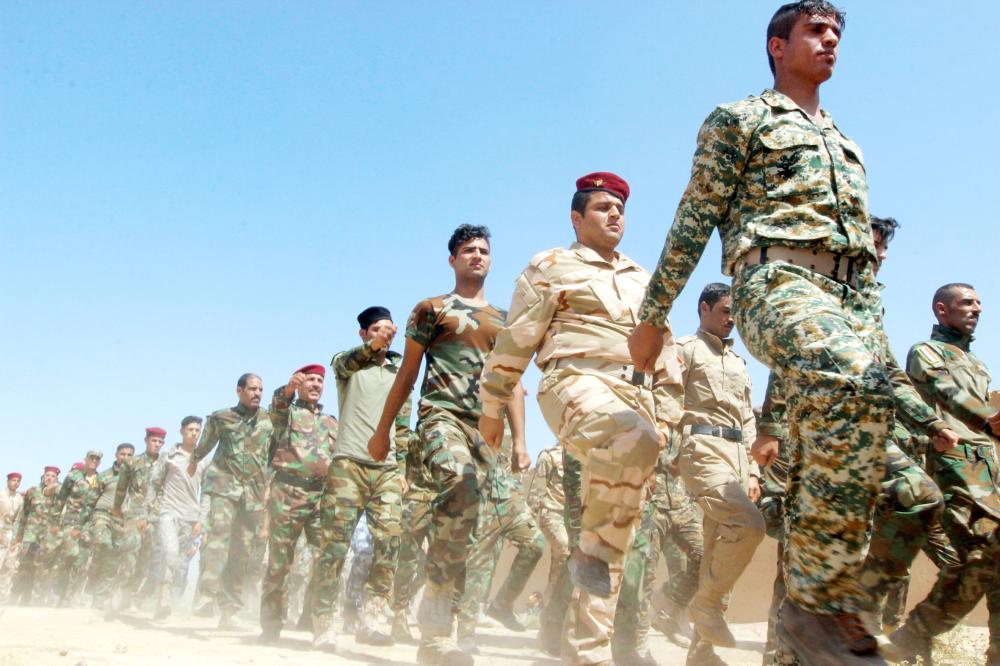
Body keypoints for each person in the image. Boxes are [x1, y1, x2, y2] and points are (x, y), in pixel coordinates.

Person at [627, 2, 890, 660]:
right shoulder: (740, 118)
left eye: (837, 33)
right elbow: (695, 216)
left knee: (835, 447)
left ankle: (792, 640)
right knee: (848, 378)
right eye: (815, 30)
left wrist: (875, 341)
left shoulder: (848, 146)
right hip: (775, 281)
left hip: (849, 300)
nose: (830, 41)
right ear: (777, 45)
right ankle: (822, 598)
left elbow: (862, 259)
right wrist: (654, 315)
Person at [479, 173, 684, 665]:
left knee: (614, 537)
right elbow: (516, 339)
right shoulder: (551, 265)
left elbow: (666, 355)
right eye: (601, 208)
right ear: (576, 218)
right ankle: (591, 552)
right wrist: (492, 408)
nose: (615, 214)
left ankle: (587, 650)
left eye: (620, 208)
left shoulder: (642, 278)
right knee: (630, 443)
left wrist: (670, 423)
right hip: (575, 383)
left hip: (637, 402)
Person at [370, 224, 519, 666]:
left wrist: (521, 441)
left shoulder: (504, 320)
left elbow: (511, 384)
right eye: (469, 250)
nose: (478, 255)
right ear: (452, 260)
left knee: (471, 524)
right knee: (457, 481)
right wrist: (381, 432)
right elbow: (406, 375)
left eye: (484, 250)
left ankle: (442, 630)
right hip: (441, 417)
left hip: (487, 427)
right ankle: (434, 616)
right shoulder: (430, 309)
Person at [887, 284, 1000, 664]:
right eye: (967, 303)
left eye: (979, 303)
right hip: (954, 466)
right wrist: (989, 420)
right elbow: (946, 392)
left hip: (989, 469)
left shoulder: (979, 364)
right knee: (979, 557)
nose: (977, 310)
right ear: (941, 310)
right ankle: (914, 632)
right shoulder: (925, 352)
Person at [311, 306, 411, 649]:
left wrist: (404, 469)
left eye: (388, 329)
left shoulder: (399, 369)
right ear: (364, 334)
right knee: (334, 546)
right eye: (377, 330)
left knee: (389, 543)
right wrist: (372, 347)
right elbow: (344, 363)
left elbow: (403, 422)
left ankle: (374, 617)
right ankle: (323, 621)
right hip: (348, 465)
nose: (385, 334)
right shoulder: (347, 364)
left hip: (386, 469)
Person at [259, 364, 337, 644]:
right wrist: (288, 389)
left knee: (326, 559)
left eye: (320, 380)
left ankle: (318, 623)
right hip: (288, 492)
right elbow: (277, 406)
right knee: (280, 562)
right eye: (310, 380)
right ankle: (270, 627)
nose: (316, 384)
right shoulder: (288, 413)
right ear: (300, 384)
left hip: (320, 497)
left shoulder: (331, 422)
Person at [189, 372, 273, 629]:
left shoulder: (271, 421)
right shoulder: (221, 418)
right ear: (239, 391)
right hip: (225, 486)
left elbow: (274, 456)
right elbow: (203, 447)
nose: (257, 393)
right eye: (252, 388)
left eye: (260, 389)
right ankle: (207, 593)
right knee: (219, 536)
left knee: (242, 552)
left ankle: (229, 611)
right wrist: (193, 462)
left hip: (253, 495)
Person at [456, 424, 543, 654]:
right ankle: (466, 632)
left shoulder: (511, 419)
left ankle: (502, 605)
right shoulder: (472, 411)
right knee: (477, 567)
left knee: (536, 543)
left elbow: (512, 467)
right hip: (482, 496)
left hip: (508, 497)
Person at [150, 416, 210, 619]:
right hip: (169, 512)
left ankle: (164, 599)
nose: (194, 433)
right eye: (190, 429)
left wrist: (202, 520)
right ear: (182, 431)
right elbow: (155, 483)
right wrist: (150, 510)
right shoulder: (169, 456)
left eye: (197, 430)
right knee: (170, 551)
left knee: (178, 561)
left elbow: (207, 493)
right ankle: (164, 597)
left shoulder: (203, 459)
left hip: (190, 517)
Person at [390, 431, 436, 642]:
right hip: (415, 502)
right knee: (407, 562)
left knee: (439, 565)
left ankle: (434, 620)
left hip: (442, 503)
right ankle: (398, 615)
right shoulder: (411, 438)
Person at [114, 426, 166, 610]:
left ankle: (133, 595)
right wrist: (117, 508)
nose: (157, 444)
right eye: (154, 441)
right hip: (134, 513)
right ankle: (123, 593)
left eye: (160, 442)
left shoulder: (165, 463)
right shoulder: (132, 463)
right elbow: (121, 488)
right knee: (130, 553)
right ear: (146, 441)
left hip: (155, 516)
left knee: (146, 557)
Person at [87, 444, 134, 610]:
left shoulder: (135, 477)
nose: (125, 457)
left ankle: (101, 597)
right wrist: (83, 525)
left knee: (114, 558)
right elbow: (90, 502)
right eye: (122, 454)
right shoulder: (105, 476)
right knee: (104, 546)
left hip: (122, 520)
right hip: (103, 515)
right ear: (116, 455)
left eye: (129, 455)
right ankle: (91, 585)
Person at [54, 450, 103, 605]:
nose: (94, 461)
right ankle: (58, 591)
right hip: (70, 520)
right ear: (86, 459)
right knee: (69, 555)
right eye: (91, 458)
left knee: (81, 560)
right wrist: (55, 522)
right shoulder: (73, 476)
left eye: (97, 459)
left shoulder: (100, 480)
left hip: (88, 524)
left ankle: (69, 597)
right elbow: (61, 498)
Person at [11, 466, 62, 605]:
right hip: (30, 536)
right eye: (47, 475)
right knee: (24, 567)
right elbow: (24, 514)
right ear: (43, 476)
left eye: (52, 476)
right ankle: (15, 597)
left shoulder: (60, 495)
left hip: (46, 538)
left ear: (56, 479)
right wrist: (18, 536)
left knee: (41, 569)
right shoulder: (33, 492)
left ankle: (34, 600)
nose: (49, 478)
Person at [0, 472, 24, 601]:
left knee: (9, 566)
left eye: (18, 481)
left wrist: (16, 538)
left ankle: (3, 597)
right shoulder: (1, 495)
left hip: (11, 534)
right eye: (13, 480)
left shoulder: (19, 498)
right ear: (8, 481)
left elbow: (19, 519)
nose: (16, 483)